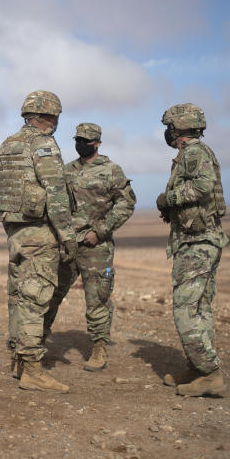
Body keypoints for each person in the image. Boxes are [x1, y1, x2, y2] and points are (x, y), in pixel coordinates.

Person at [0, 90, 77, 393]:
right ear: (50, 117)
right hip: (40, 232)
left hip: (16, 232)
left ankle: (18, 359)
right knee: (35, 298)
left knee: (18, 296)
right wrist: (68, 236)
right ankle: (31, 369)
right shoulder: (43, 144)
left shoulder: (8, 145)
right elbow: (55, 193)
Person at [43, 123, 135, 371]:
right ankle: (36, 343)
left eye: (86, 140)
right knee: (50, 294)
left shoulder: (111, 170)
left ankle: (99, 349)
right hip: (68, 244)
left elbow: (126, 205)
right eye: (78, 139)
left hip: (96, 247)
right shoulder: (67, 170)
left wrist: (101, 231)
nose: (81, 143)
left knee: (98, 299)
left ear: (97, 143)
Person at [155, 103, 228, 397]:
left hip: (198, 243)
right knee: (199, 309)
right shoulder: (192, 153)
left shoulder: (195, 153)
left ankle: (209, 372)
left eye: (170, 127)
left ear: (178, 128)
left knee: (185, 309)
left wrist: (168, 199)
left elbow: (202, 187)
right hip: (199, 240)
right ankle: (198, 369)